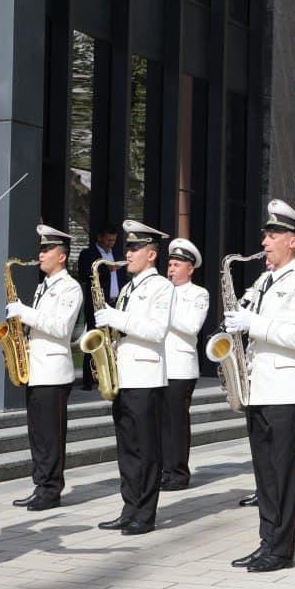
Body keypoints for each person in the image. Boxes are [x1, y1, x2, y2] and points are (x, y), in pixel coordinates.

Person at [223, 199, 295, 572]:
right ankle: (267, 542)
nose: (264, 242)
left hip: (285, 392)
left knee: (281, 477)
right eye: (265, 235)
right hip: (258, 388)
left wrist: (253, 324)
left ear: (292, 241)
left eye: (272, 235)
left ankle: (280, 550)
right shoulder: (264, 280)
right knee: (264, 476)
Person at [94, 220, 174, 535]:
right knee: (127, 448)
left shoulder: (161, 287)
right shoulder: (129, 287)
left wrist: (117, 317)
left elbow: (157, 331)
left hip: (146, 377)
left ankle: (146, 513)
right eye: (127, 247)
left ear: (151, 254)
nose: (127, 253)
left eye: (134, 248)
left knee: (146, 450)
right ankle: (129, 508)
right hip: (123, 375)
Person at [4, 225, 84, 511]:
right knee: (38, 435)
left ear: (61, 256)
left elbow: (61, 327)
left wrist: (24, 312)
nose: (40, 254)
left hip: (53, 371)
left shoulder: (69, 288)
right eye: (41, 249)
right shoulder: (43, 286)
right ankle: (40, 485)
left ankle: (51, 490)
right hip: (36, 370)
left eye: (46, 249)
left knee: (51, 436)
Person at [161, 238, 209, 490]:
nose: (171, 269)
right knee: (159, 423)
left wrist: (163, 308)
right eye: (169, 264)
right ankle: (162, 470)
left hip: (180, 367)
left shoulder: (198, 294)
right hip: (157, 366)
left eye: (177, 265)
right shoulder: (161, 290)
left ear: (190, 269)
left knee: (176, 424)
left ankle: (178, 473)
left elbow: (192, 327)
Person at [77, 224, 126, 390]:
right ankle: (89, 380)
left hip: (115, 302)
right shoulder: (87, 254)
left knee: (114, 340)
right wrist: (107, 270)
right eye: (108, 240)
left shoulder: (117, 254)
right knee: (95, 339)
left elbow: (122, 277)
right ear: (100, 237)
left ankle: (110, 376)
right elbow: (83, 274)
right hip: (97, 304)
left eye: (113, 240)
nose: (110, 243)